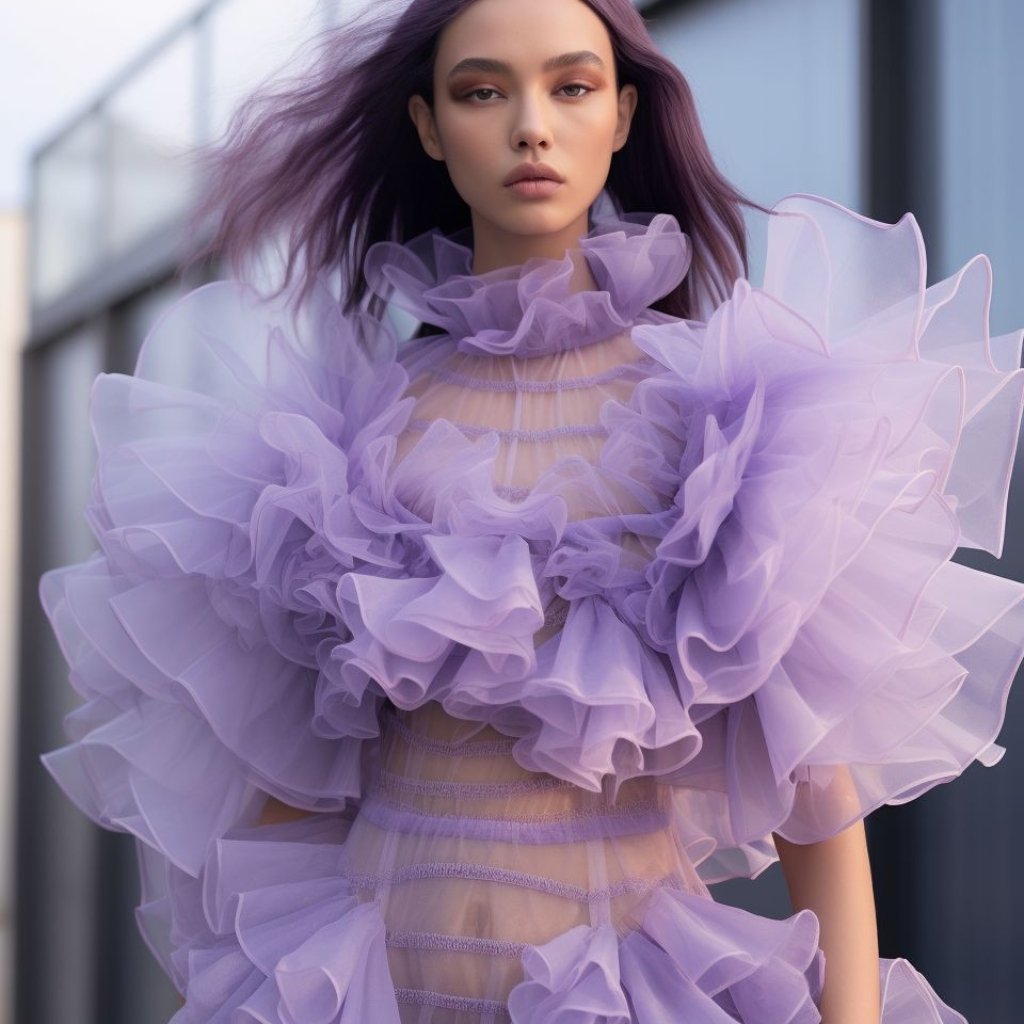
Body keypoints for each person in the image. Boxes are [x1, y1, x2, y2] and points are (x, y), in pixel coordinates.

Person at [39, 0, 1024, 1021]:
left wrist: (851, 1014)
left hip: (618, 991)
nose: (529, 126)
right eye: (480, 91)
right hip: (371, 983)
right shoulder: (339, 438)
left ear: (625, 113)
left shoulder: (720, 428)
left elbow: (815, 784)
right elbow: (290, 780)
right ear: (427, 126)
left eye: (571, 86)